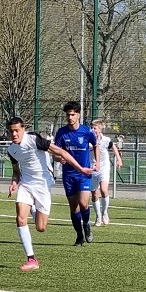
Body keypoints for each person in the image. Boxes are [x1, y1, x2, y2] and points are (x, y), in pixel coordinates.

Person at [6, 116, 94, 271]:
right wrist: (14, 182)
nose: (14, 134)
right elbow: (16, 172)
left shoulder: (34, 140)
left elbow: (61, 152)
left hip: (43, 184)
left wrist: (81, 168)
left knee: (41, 228)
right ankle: (31, 259)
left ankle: (34, 209)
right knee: (20, 218)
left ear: (23, 129)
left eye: (17, 130)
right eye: (11, 131)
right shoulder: (11, 150)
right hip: (26, 184)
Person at [53, 101, 99, 246]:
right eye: (68, 115)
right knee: (73, 207)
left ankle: (86, 224)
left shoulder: (86, 131)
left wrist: (97, 162)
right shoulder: (61, 133)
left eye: (72, 114)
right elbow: (55, 153)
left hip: (84, 173)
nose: (70, 117)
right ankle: (79, 235)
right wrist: (58, 158)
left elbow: (95, 145)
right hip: (68, 175)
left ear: (78, 115)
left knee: (84, 203)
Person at [90, 118, 123, 225]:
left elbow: (113, 146)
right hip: (92, 168)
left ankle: (104, 213)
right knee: (94, 193)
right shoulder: (88, 140)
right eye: (92, 128)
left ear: (100, 129)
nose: (93, 130)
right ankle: (98, 216)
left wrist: (118, 159)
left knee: (104, 190)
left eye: (95, 128)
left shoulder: (106, 140)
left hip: (103, 168)